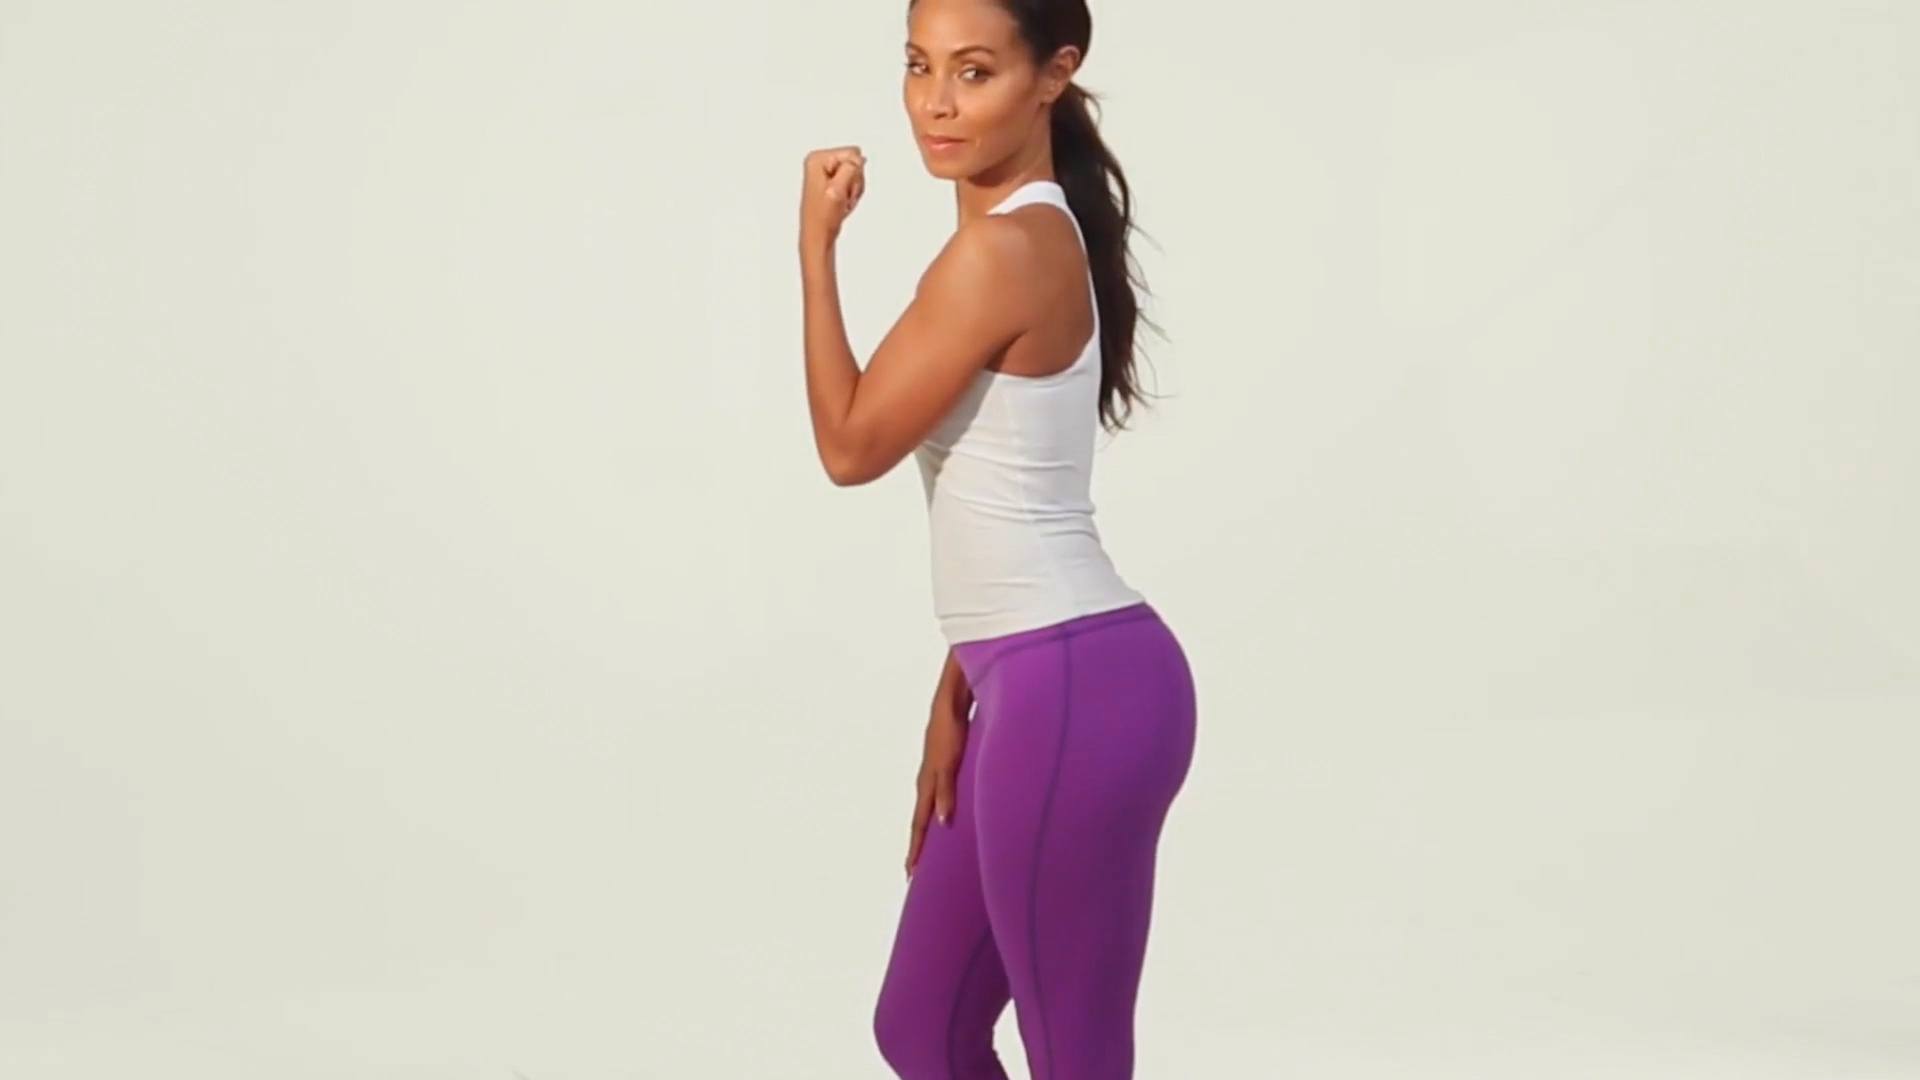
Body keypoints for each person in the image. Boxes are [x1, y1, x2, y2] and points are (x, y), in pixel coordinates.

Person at [796, 0, 1196, 1075]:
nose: (935, 101)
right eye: (919, 65)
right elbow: (1016, 493)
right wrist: (959, 683)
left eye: (974, 72)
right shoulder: (1028, 235)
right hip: (1034, 681)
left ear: (1054, 74)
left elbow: (850, 446)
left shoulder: (1004, 250)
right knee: (923, 1027)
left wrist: (815, 247)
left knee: (1076, 1056)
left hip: (1075, 689)